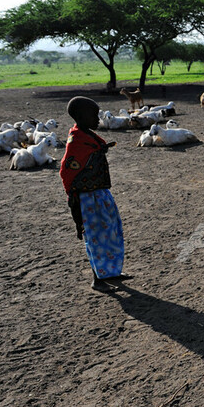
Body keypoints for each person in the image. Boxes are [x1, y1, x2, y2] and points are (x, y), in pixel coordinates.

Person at [60, 96, 128, 292]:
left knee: (112, 231)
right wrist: (75, 197)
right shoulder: (76, 141)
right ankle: (97, 278)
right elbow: (67, 171)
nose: (98, 119)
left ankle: (112, 272)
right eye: (94, 115)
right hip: (87, 198)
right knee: (95, 235)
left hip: (101, 194)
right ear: (81, 116)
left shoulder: (88, 137)